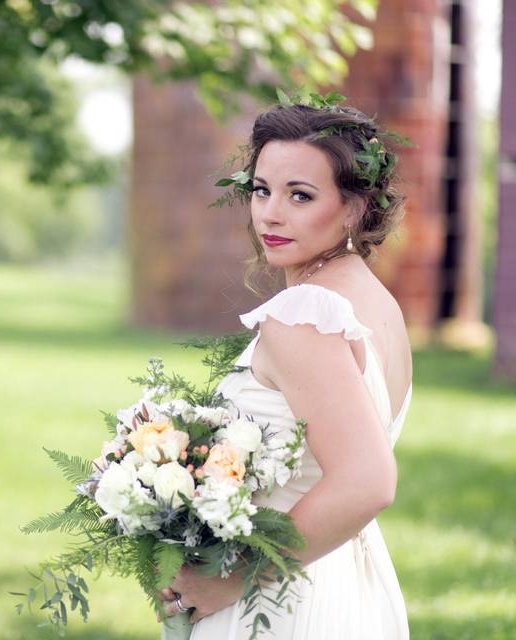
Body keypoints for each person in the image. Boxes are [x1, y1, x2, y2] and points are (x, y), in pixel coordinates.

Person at [157, 95, 413, 639]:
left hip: (280, 601)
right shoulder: (378, 306)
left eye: (300, 195)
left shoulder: (303, 314)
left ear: (355, 207)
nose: (271, 212)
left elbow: (368, 480)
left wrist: (234, 579)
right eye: (262, 190)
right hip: (346, 579)